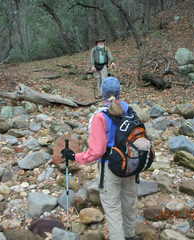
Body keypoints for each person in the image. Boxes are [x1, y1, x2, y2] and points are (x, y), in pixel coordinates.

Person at [60, 77, 140, 240]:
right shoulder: (130, 110)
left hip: (109, 167)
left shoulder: (100, 117)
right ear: (119, 92)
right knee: (128, 203)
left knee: (112, 209)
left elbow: (97, 151)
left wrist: (75, 156)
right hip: (131, 165)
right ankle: (130, 235)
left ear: (102, 94)